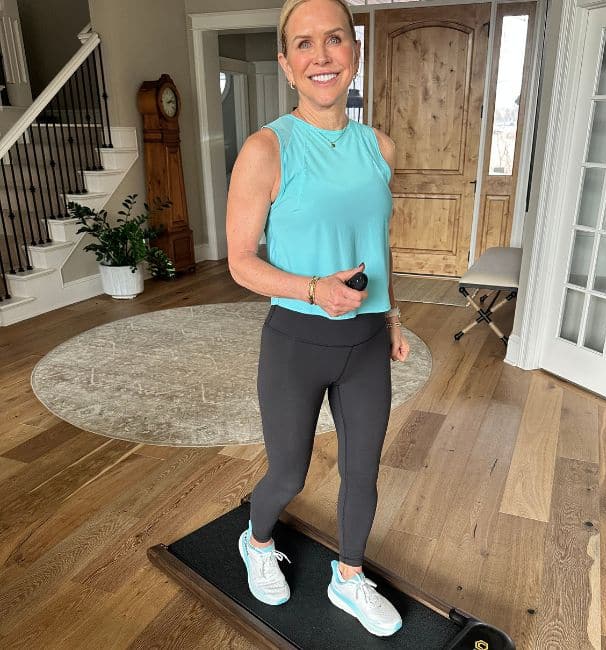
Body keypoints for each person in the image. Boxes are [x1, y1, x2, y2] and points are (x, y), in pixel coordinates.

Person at [226, 0, 410, 638]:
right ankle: (256, 540)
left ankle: (349, 577)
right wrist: (313, 288)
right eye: (304, 44)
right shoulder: (266, 148)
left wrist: (391, 318)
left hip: (365, 342)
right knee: (288, 474)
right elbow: (240, 262)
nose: (321, 56)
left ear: (354, 53)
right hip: (295, 342)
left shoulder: (379, 147)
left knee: (363, 472)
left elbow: (379, 244)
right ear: (286, 63)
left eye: (335, 39)